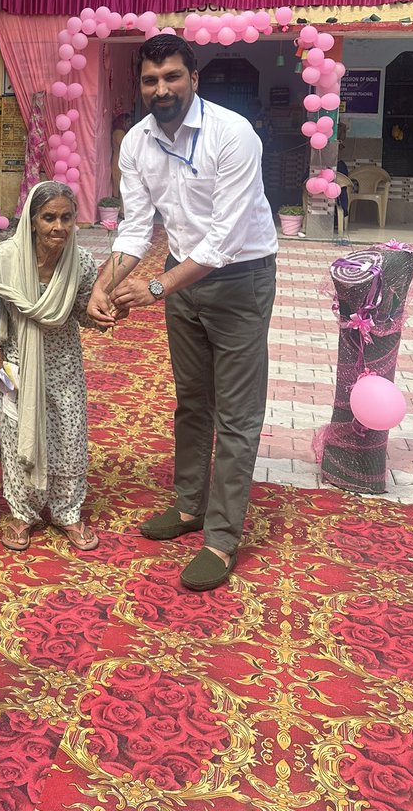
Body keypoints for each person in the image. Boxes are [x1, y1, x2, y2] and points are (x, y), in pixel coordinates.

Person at [88, 36, 277, 591]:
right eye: (150, 80)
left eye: (172, 77)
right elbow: (136, 224)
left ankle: (221, 538)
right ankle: (190, 506)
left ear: (194, 77)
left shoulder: (233, 133)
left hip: (240, 278)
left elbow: (224, 240)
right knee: (193, 401)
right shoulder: (138, 142)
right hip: (181, 279)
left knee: (237, 416)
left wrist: (155, 286)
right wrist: (105, 284)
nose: (161, 89)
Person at [0, 181, 100, 552]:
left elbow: (83, 310)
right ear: (32, 221)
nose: (58, 227)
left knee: (69, 434)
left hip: (63, 362)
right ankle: (22, 512)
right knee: (18, 438)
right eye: (49, 218)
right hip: (15, 360)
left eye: (66, 218)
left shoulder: (81, 262)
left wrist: (103, 311)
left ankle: (67, 512)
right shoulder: (4, 260)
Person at [110, 111, 133, 200]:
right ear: (123, 121)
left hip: (120, 160)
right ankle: (121, 210)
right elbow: (125, 147)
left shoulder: (120, 131)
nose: (130, 123)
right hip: (119, 161)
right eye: (128, 121)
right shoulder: (119, 132)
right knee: (120, 184)